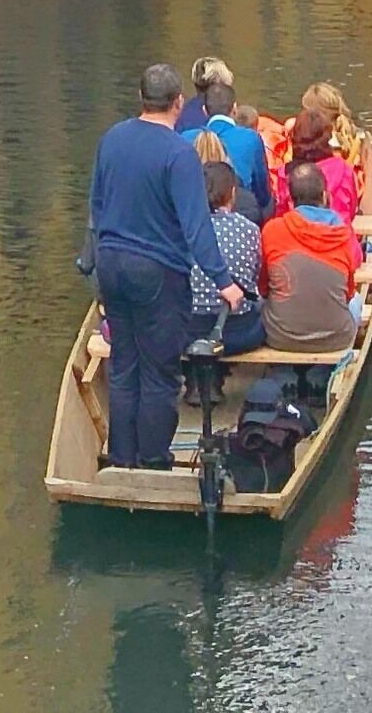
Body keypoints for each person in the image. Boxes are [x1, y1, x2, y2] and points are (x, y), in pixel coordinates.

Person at [88, 63, 242, 470]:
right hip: (157, 273)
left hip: (112, 265)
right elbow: (196, 228)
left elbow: (97, 207)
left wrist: (95, 264)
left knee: (124, 363)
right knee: (159, 373)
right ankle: (153, 459)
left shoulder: (111, 140)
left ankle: (122, 457)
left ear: (141, 100)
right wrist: (224, 282)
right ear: (178, 103)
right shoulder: (178, 154)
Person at [258, 160, 364, 355]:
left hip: (279, 337)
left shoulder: (271, 230)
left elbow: (263, 288)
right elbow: (348, 293)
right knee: (357, 300)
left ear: (291, 200)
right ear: (324, 195)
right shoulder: (343, 235)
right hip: (337, 339)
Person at [189, 135, 267, 356]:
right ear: (232, 193)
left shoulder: (181, 228)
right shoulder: (250, 230)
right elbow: (255, 278)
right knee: (263, 306)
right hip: (238, 333)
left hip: (187, 330)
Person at [192, 68, 274, 217]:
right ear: (234, 109)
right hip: (240, 211)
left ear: (205, 111)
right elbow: (263, 193)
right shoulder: (250, 139)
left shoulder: (186, 137)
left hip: (195, 210)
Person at [286, 99, 361, 223]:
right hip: (338, 238)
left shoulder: (284, 174)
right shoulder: (343, 169)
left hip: (296, 238)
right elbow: (352, 210)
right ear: (327, 138)